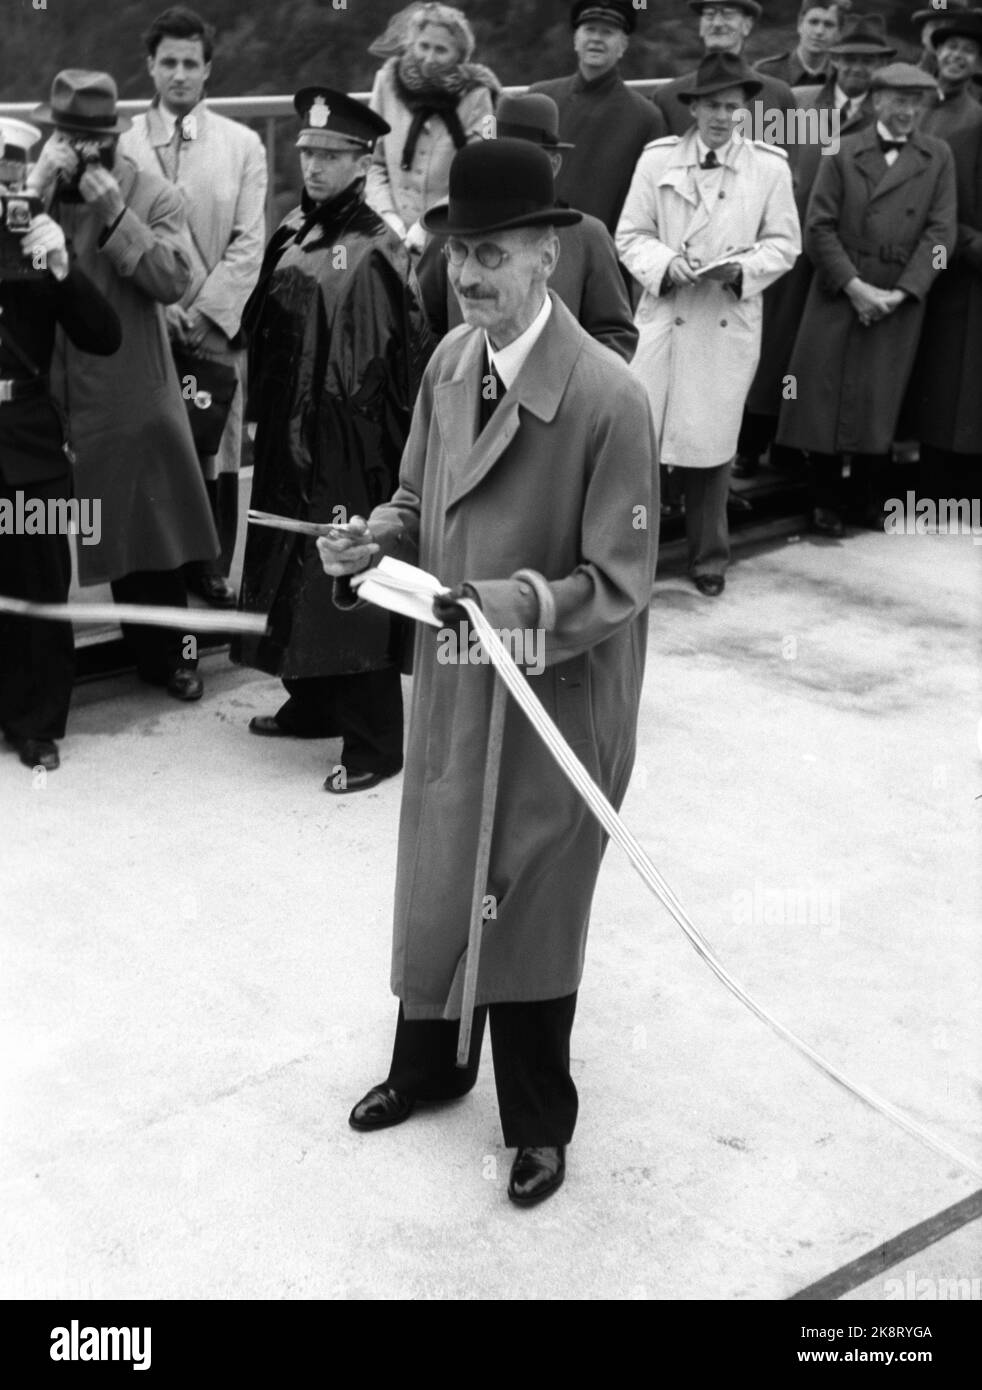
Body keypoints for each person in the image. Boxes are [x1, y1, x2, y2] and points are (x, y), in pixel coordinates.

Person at [317, 139, 658, 1207]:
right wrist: (371, 541)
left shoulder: (609, 401)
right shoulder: (449, 363)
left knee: (529, 895)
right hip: (464, 686)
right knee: (441, 871)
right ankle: (429, 1065)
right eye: (460, 251)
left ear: (547, 258)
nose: (470, 276)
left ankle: (540, 1120)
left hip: (560, 699)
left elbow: (619, 579)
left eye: (494, 255)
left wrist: (506, 604)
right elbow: (419, 506)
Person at [234, 88, 432, 794]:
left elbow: (391, 369)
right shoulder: (294, 228)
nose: (314, 165)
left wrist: (363, 459)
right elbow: (264, 327)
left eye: (331, 154)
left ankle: (376, 742)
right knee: (290, 576)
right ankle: (311, 701)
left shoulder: (376, 248)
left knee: (350, 586)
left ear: (361, 160)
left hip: (350, 449)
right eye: (307, 152)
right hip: (290, 440)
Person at [28, 70, 218, 702]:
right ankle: (35, 682)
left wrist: (115, 214)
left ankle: (171, 656)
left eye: (93, 140)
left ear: (113, 139)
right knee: (34, 540)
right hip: (44, 388)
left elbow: (174, 281)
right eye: (69, 138)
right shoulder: (31, 191)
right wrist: (32, 188)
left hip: (127, 389)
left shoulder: (150, 191)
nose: (82, 153)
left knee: (148, 530)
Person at [616, 52, 800, 597]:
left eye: (731, 105)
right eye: (711, 105)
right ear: (692, 107)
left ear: (744, 108)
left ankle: (709, 557)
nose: (721, 115)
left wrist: (741, 269)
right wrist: (664, 264)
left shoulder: (769, 167)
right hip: (664, 316)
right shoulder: (658, 161)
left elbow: (785, 244)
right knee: (641, 444)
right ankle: (631, 558)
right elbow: (630, 234)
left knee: (712, 448)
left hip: (725, 318)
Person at [120, 5, 267, 607]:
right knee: (160, 447)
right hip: (149, 325)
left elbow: (251, 240)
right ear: (151, 68)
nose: (179, 74)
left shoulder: (243, 145)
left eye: (191, 63)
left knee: (217, 441)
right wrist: (163, 311)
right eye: (168, 62)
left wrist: (206, 314)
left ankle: (210, 565)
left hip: (215, 329)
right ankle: (164, 573)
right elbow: (121, 237)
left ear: (208, 71)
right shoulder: (125, 144)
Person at [776, 63, 957, 536]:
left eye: (916, 102)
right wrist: (854, 286)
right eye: (898, 100)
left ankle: (868, 500)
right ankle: (824, 501)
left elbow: (942, 236)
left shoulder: (938, 155)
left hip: (899, 298)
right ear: (876, 101)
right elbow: (817, 226)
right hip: (839, 290)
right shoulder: (841, 148)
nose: (907, 111)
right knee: (820, 394)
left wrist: (905, 291)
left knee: (881, 398)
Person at [0, 118, 121, 773]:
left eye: (11, 170)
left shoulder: (38, 242)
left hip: (29, 442)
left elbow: (104, 337)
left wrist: (63, 268)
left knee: (40, 587)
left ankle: (37, 722)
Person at [734, 12, 894, 478]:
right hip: (793, 240)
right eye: (849, 58)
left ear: (882, 64)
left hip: (845, 252)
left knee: (816, 358)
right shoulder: (803, 105)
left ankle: (795, 448)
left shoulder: (882, 119)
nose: (857, 68)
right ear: (835, 60)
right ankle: (753, 442)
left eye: (870, 61)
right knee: (774, 347)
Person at [414, 92, 639, 361]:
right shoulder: (451, 230)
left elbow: (615, 334)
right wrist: (451, 381)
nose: (506, 167)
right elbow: (421, 324)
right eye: (497, 152)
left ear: (553, 164)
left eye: (523, 157)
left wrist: (571, 384)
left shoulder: (589, 236)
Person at [365, 3, 499, 256]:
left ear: (459, 56)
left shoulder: (477, 95)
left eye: (441, 50)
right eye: (423, 46)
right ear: (411, 45)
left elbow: (478, 175)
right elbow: (372, 161)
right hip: (389, 237)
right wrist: (388, 216)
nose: (429, 58)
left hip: (451, 237)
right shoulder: (387, 82)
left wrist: (429, 225)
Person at [528, 0, 665, 235]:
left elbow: (648, 203)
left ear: (623, 46)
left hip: (602, 251)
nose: (596, 39)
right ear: (575, 40)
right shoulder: (540, 98)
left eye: (608, 32)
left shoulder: (646, 117)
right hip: (533, 236)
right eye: (589, 30)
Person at [904, 108, 982, 501]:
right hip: (960, 284)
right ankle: (936, 490)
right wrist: (971, 244)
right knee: (948, 392)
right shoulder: (958, 145)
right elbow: (941, 215)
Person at [651, 1, 798, 146]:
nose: (717, 23)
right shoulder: (667, 98)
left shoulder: (778, 95)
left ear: (747, 25)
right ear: (701, 26)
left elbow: (788, 164)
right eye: (709, 14)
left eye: (728, 15)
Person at [919, 11, 982, 141]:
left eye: (969, 50)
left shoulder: (977, 120)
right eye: (952, 46)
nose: (957, 54)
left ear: (978, 63)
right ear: (939, 51)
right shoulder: (911, 99)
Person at [754, 1, 846, 87]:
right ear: (800, 25)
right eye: (813, 22)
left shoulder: (841, 80)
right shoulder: (766, 73)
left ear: (839, 33)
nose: (819, 31)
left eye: (828, 25)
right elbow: (758, 104)